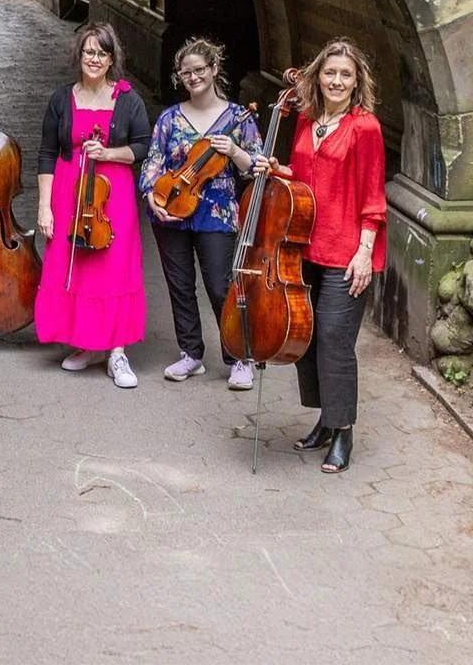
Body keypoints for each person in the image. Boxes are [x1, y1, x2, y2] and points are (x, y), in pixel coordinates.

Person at [255, 39, 386, 474]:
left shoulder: (365, 127)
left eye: (346, 74)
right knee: (307, 336)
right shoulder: (308, 118)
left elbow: (373, 196)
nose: (337, 81)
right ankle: (326, 421)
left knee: (334, 340)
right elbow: (303, 176)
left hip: (345, 251)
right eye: (330, 72)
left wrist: (364, 252)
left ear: (357, 81)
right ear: (318, 76)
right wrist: (276, 170)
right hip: (301, 245)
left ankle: (343, 430)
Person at [138, 37, 261, 390]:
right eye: (186, 73)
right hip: (172, 208)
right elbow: (152, 163)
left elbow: (256, 167)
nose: (193, 77)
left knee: (220, 286)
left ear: (214, 69)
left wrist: (234, 151)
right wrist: (151, 197)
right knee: (180, 286)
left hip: (217, 212)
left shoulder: (238, 118)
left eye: (199, 70)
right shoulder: (169, 118)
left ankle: (238, 357)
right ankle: (190, 353)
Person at [35, 22, 150, 388]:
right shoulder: (61, 99)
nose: (95, 59)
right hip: (68, 194)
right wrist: (44, 207)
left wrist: (108, 153)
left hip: (111, 196)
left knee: (114, 270)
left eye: (102, 53)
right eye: (89, 52)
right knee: (77, 269)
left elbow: (144, 147)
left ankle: (116, 351)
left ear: (111, 59)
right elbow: (47, 153)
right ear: (79, 55)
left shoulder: (127, 99)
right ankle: (87, 343)